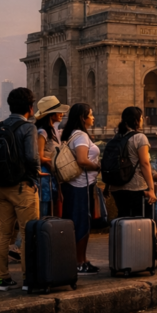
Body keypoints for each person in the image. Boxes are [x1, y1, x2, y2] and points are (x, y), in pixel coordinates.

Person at [0, 87, 40, 291]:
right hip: (22, 187)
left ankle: (3, 279)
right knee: (29, 232)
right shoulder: (28, 128)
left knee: (3, 233)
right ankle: (28, 279)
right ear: (30, 107)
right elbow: (31, 156)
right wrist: (36, 174)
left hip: (1, 187)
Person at [60, 103, 101, 274]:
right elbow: (82, 160)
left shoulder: (73, 134)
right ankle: (79, 262)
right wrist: (98, 167)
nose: (93, 117)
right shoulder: (81, 136)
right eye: (90, 114)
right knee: (82, 224)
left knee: (78, 223)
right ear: (82, 118)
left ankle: (81, 260)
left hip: (75, 185)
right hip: (80, 186)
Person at [107, 106, 156, 219]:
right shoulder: (140, 138)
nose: (143, 119)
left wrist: (107, 187)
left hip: (116, 188)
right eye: (141, 117)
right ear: (136, 120)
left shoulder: (116, 138)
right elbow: (144, 164)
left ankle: (121, 237)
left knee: (123, 219)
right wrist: (151, 189)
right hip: (136, 187)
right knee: (142, 220)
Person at [34, 96, 70, 218]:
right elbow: (39, 156)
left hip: (51, 176)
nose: (62, 114)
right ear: (51, 114)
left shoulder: (53, 131)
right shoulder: (42, 132)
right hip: (45, 177)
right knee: (43, 212)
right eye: (59, 111)